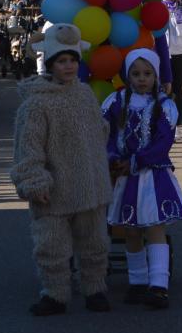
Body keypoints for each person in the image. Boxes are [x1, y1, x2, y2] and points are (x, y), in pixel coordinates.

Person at [10, 23, 113, 316]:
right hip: (55, 188)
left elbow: (97, 131)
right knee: (51, 245)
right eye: (62, 61)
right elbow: (28, 146)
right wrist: (33, 180)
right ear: (51, 64)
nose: (68, 67)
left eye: (72, 61)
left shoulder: (84, 95)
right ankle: (54, 293)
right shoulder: (37, 104)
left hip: (89, 184)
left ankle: (95, 288)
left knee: (94, 242)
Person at [102, 48, 182, 309]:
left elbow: (164, 141)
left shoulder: (164, 105)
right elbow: (104, 133)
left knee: (154, 227)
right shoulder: (116, 101)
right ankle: (137, 282)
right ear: (127, 76)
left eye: (148, 73)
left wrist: (137, 160)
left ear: (156, 75)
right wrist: (114, 157)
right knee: (130, 229)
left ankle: (159, 285)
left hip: (152, 174)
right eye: (136, 73)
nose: (142, 78)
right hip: (126, 177)